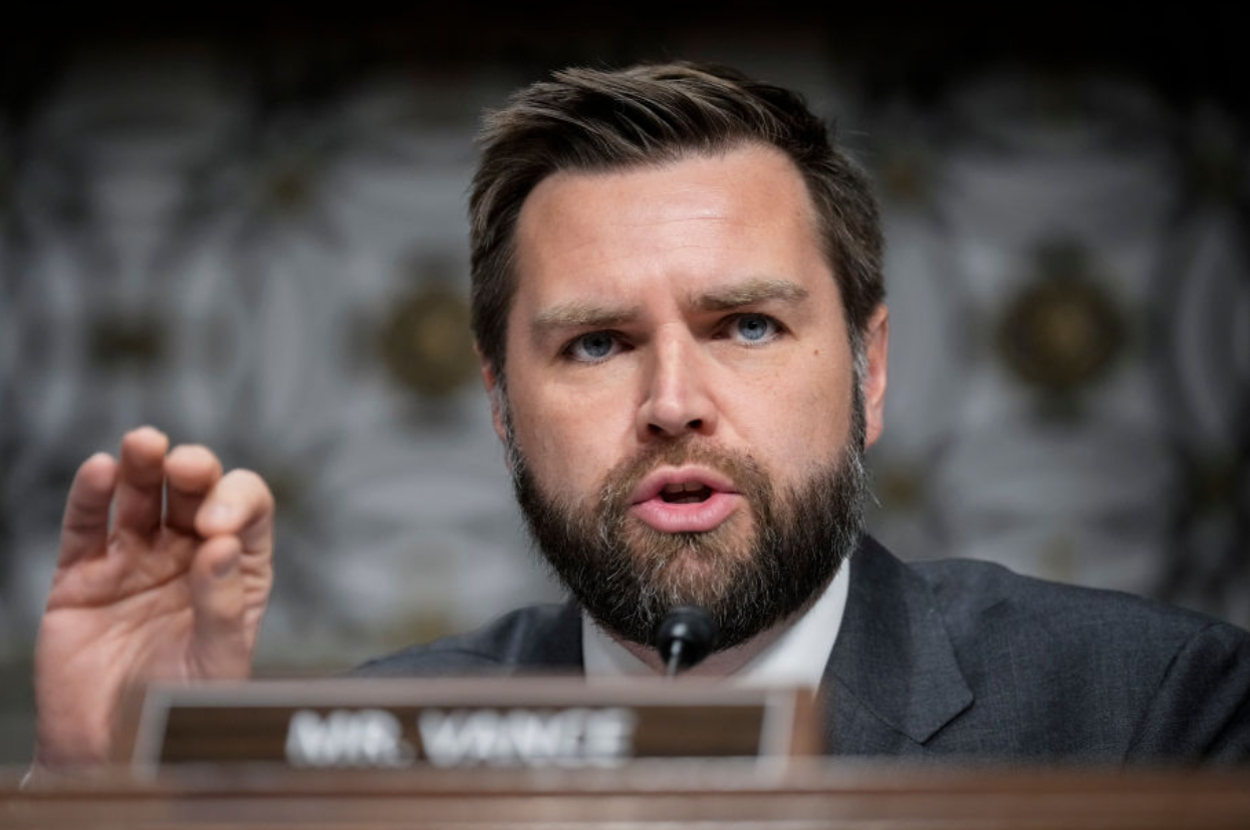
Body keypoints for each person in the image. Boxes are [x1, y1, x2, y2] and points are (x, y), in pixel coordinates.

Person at [32, 62, 1250, 770]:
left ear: (871, 372)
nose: (672, 405)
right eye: (597, 343)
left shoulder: (1149, 708)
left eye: (747, 327)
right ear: (501, 405)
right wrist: (109, 786)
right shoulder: (384, 754)